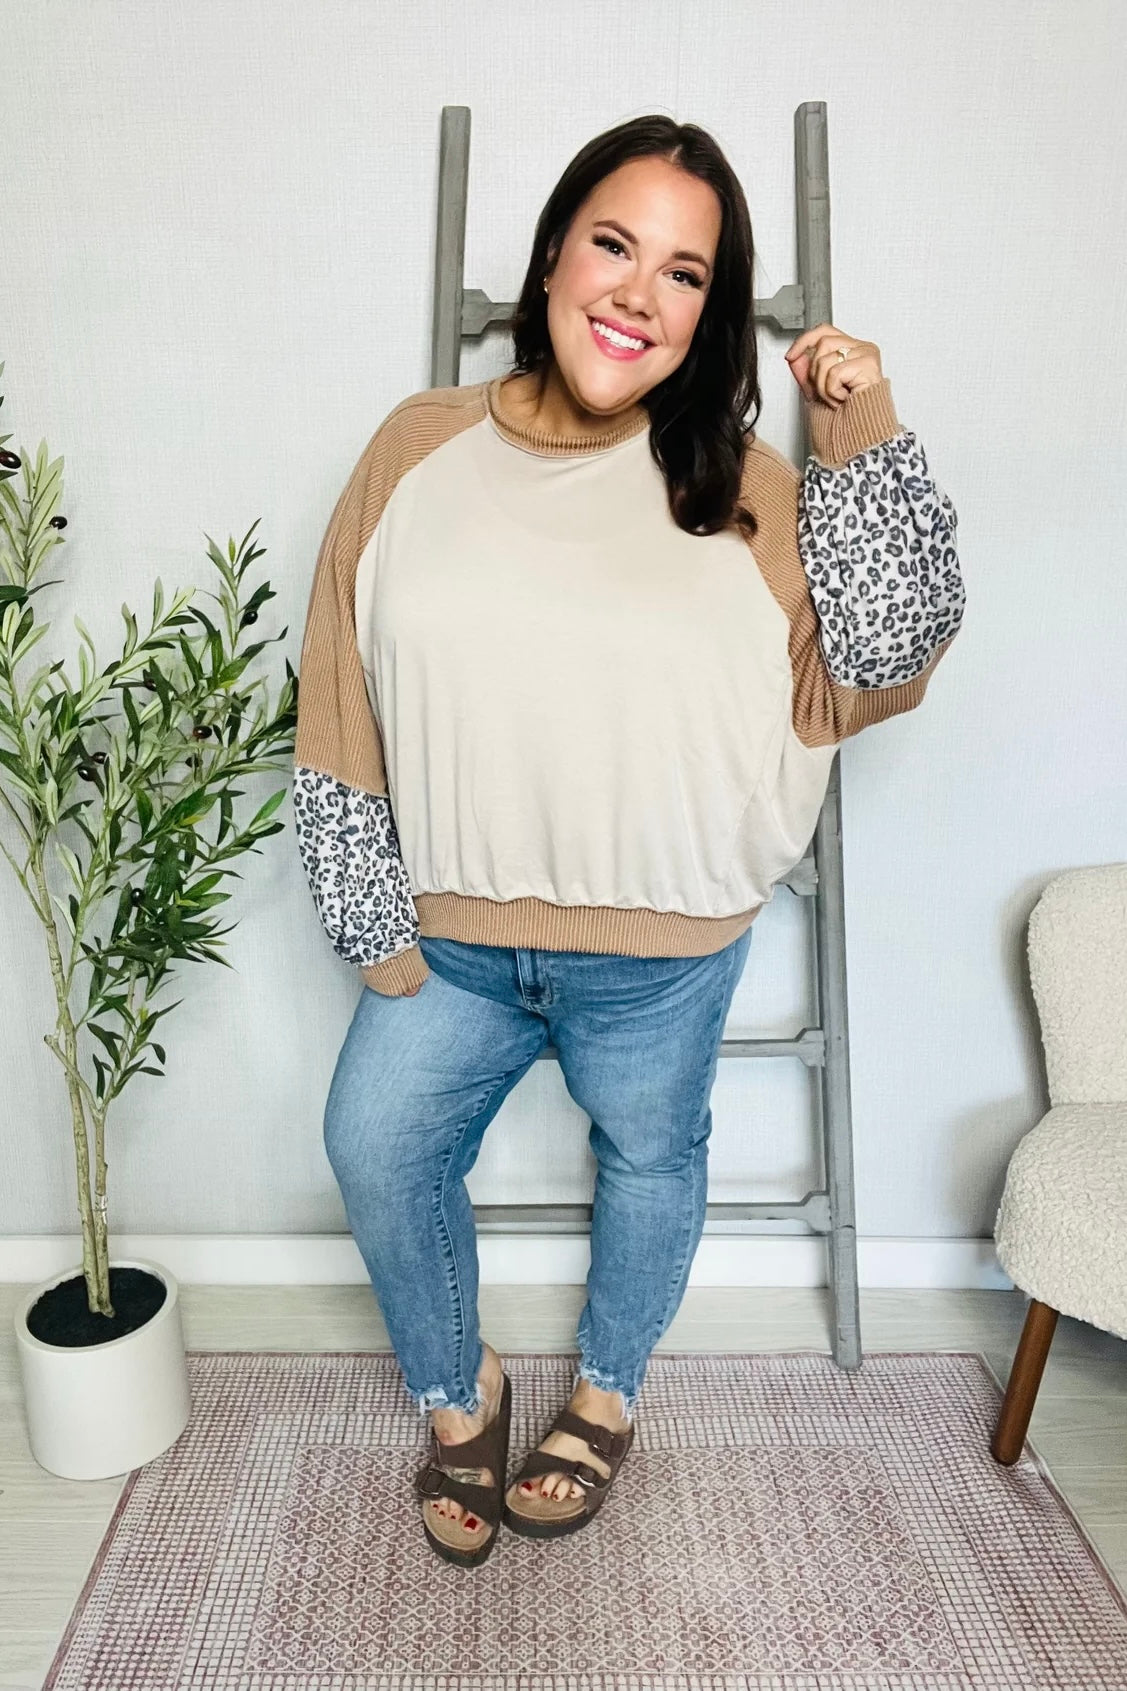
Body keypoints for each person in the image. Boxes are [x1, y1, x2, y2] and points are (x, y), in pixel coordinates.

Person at [292, 113, 964, 1568]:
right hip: (452, 941)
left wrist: (855, 424)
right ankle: (455, 1389)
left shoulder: (749, 489)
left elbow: (889, 654)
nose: (637, 292)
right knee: (373, 1145)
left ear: (708, 315)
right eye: (613, 243)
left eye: (684, 273)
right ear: (548, 257)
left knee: (652, 1162)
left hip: (662, 953)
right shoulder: (417, 447)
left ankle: (606, 1395)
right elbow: (336, 677)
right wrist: (371, 919)